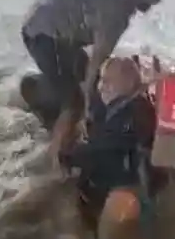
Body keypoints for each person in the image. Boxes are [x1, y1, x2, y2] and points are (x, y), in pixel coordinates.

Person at [20, 0, 169, 166]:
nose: (158, 0)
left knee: (81, 79)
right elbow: (96, 63)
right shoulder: (119, 13)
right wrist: (88, 105)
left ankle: (42, 94)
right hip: (45, 37)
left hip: (42, 27)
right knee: (75, 102)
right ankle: (54, 163)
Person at [60, 55, 156, 229]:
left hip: (127, 189)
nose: (101, 86)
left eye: (108, 81)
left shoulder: (137, 111)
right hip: (106, 183)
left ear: (128, 83)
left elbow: (109, 146)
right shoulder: (110, 107)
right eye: (101, 80)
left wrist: (71, 156)